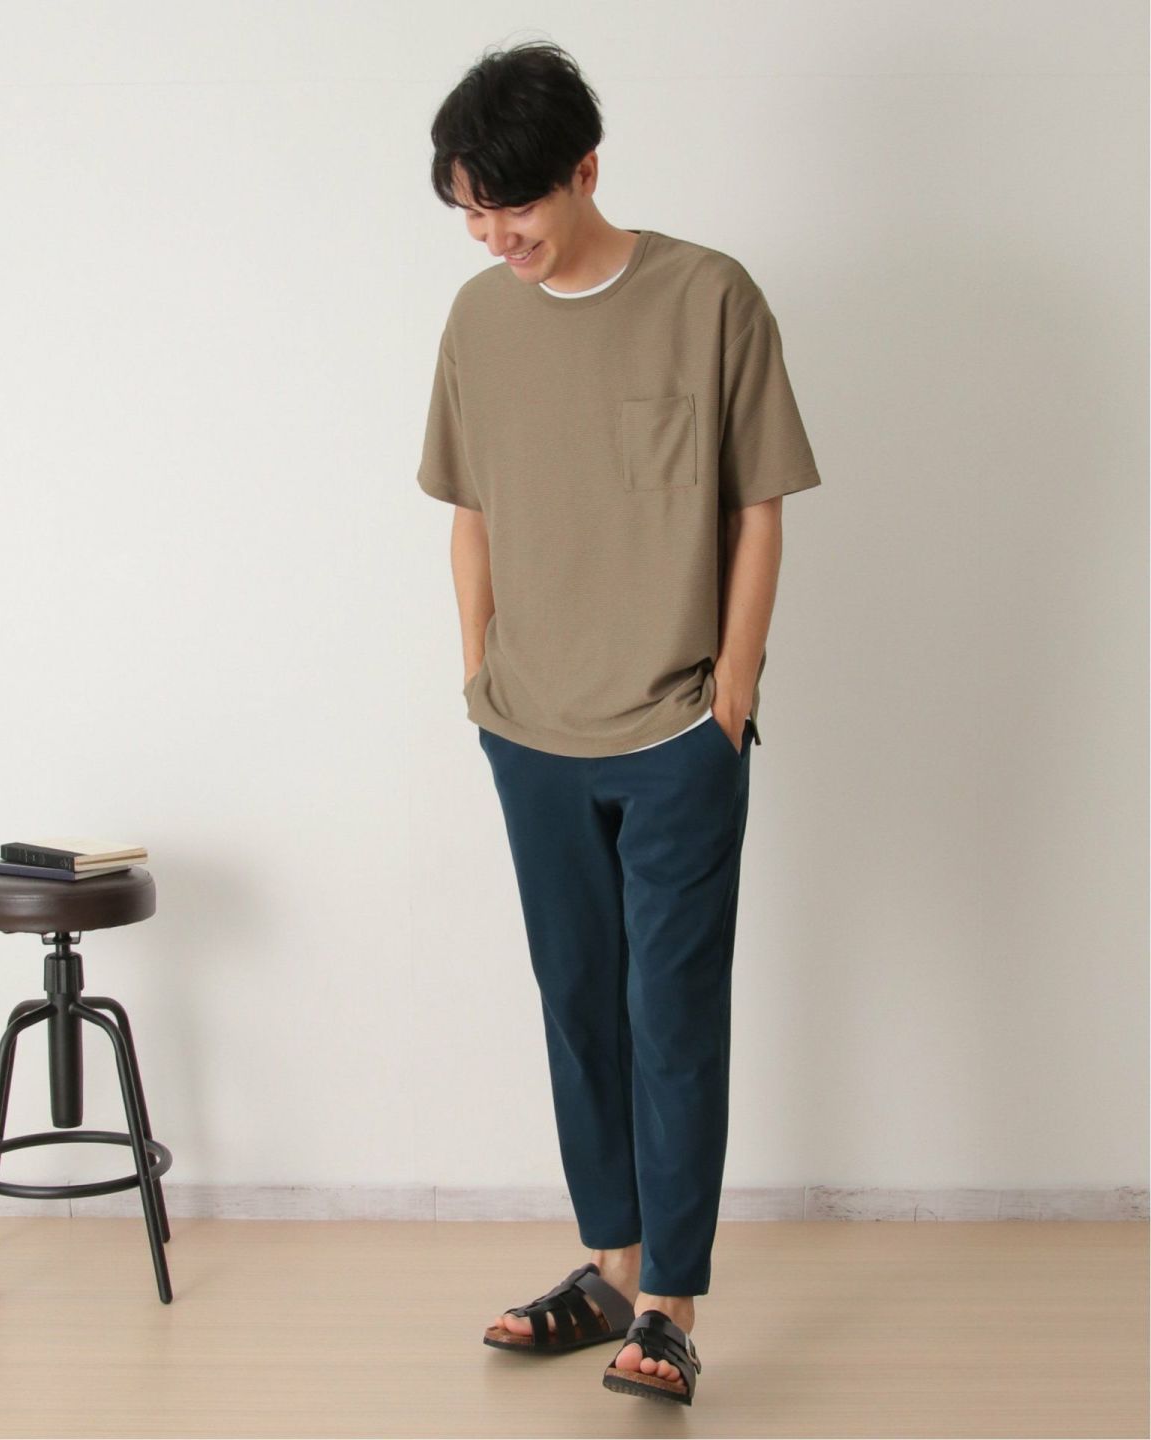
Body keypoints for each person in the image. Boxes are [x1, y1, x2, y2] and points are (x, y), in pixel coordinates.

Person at [417, 40, 822, 1408]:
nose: (495, 236)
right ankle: (608, 1269)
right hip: (529, 729)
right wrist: (479, 675)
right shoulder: (478, 320)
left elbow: (758, 504)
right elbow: (469, 509)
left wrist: (733, 689)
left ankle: (670, 1304)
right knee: (579, 1007)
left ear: (587, 169)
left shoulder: (710, 297)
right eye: (472, 211)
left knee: (673, 1014)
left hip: (674, 734)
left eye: (514, 206)